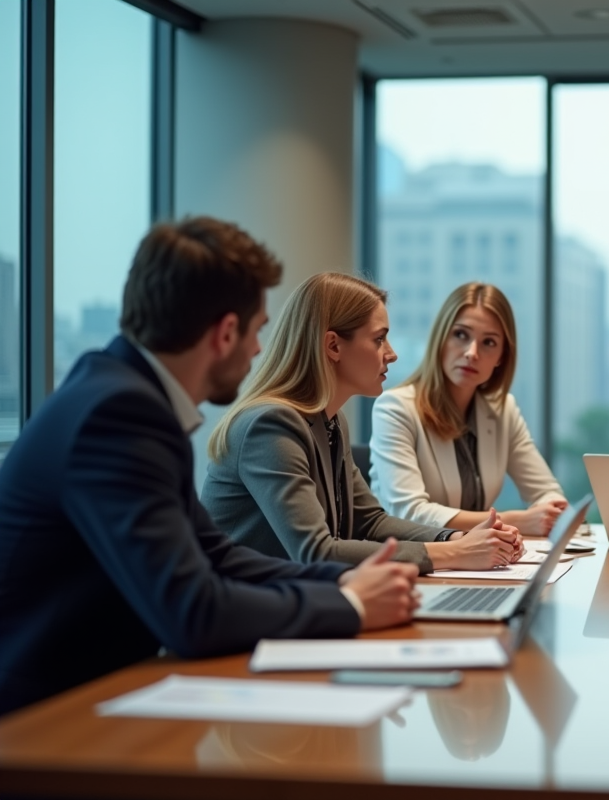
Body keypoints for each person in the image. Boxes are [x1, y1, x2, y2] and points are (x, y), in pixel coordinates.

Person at [0, 218, 418, 716]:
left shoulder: (124, 396)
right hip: (41, 720)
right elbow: (192, 612)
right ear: (225, 333)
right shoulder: (118, 416)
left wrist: (340, 583)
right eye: (257, 330)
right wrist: (349, 607)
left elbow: (217, 555)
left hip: (94, 695)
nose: (261, 349)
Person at [203, 273, 522, 574]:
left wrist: (453, 539)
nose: (392, 354)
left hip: (295, 599)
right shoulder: (270, 425)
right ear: (333, 346)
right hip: (244, 620)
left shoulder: (330, 421)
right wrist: (456, 554)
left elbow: (369, 522)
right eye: (379, 339)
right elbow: (317, 551)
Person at [370, 282, 567, 537]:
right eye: (461, 335)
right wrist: (511, 520)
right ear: (441, 339)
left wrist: (550, 509)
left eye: (489, 342)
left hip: (480, 561)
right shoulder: (395, 408)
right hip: (412, 560)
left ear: (501, 358)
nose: (472, 353)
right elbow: (409, 512)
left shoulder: (503, 410)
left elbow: (545, 491)